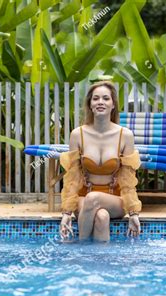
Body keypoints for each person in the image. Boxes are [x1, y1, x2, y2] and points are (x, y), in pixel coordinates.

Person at [59, 81, 142, 241]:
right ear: (90, 104)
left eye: (106, 98)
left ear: (113, 105)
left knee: (94, 199)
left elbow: (127, 178)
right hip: (84, 198)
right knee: (102, 217)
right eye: (95, 99)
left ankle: (79, 251)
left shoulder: (125, 135)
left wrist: (133, 213)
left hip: (115, 199)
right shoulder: (78, 134)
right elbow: (72, 177)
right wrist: (67, 212)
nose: (100, 102)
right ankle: (101, 263)